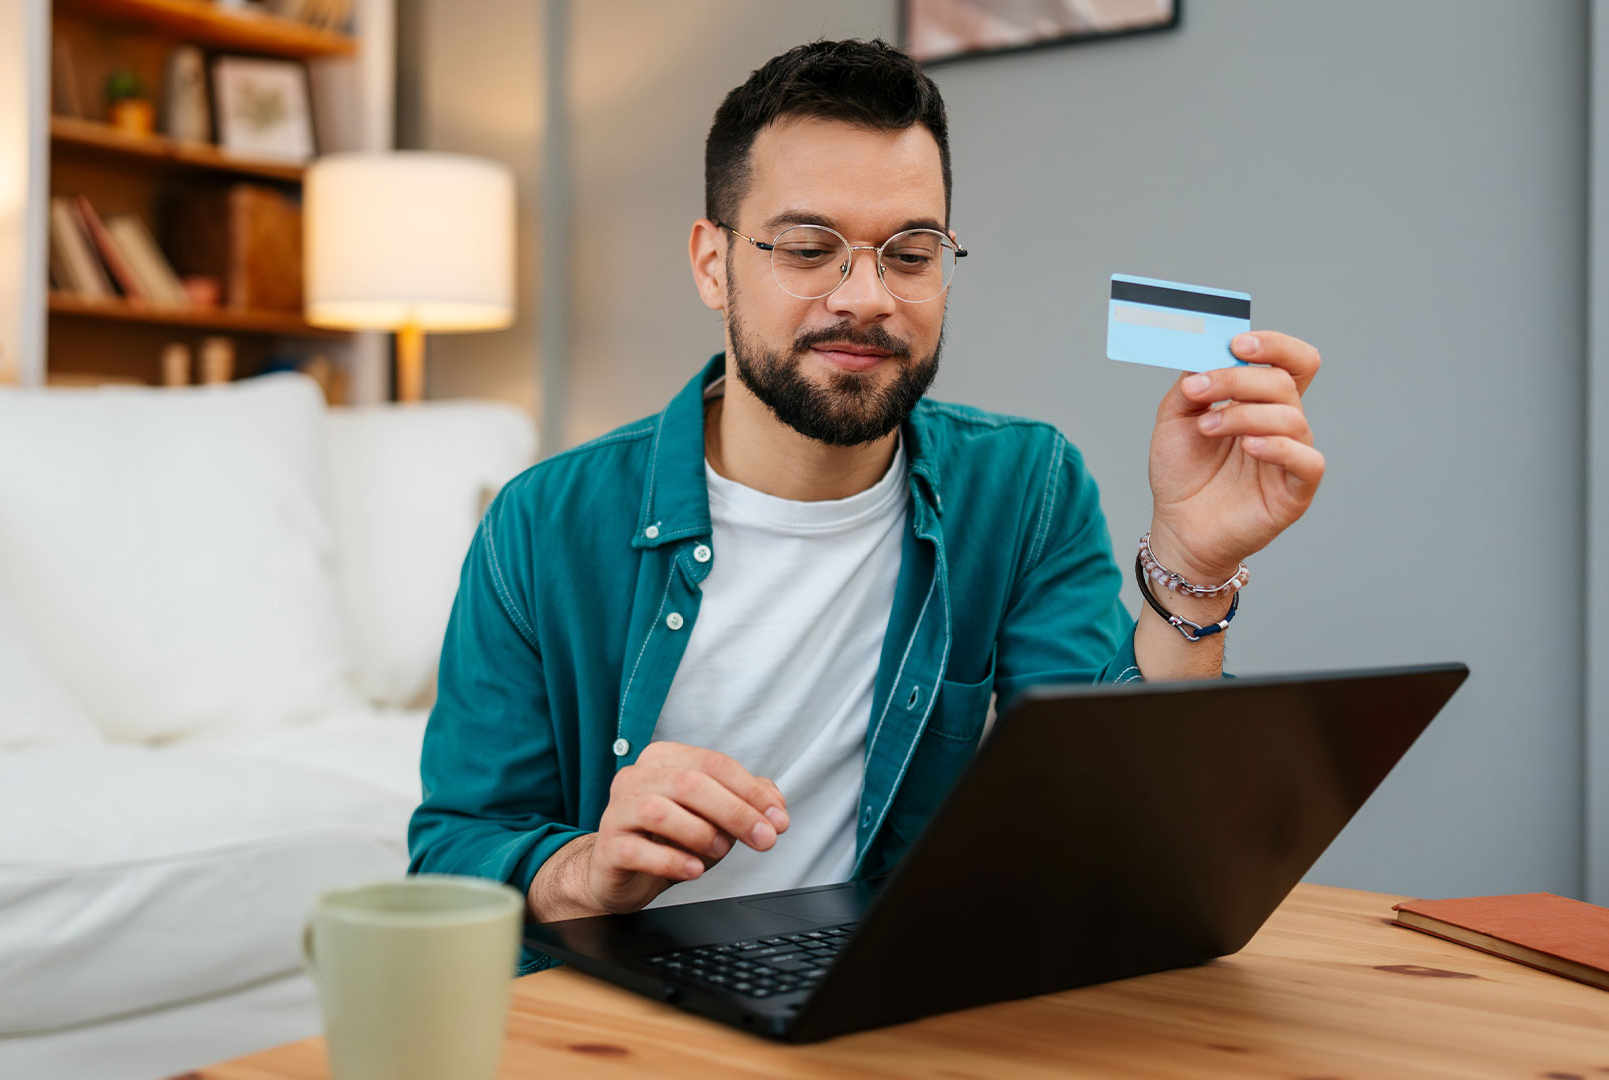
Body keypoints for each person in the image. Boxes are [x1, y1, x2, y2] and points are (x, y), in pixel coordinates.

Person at [407, 38, 1322, 974]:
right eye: (808, 249)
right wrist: (589, 870)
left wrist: (1197, 566)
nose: (868, 298)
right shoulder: (540, 525)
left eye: (912, 254)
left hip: (883, 1005)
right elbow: (455, 852)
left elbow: (1131, 833)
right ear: (712, 264)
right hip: (614, 1019)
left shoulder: (1022, 488)